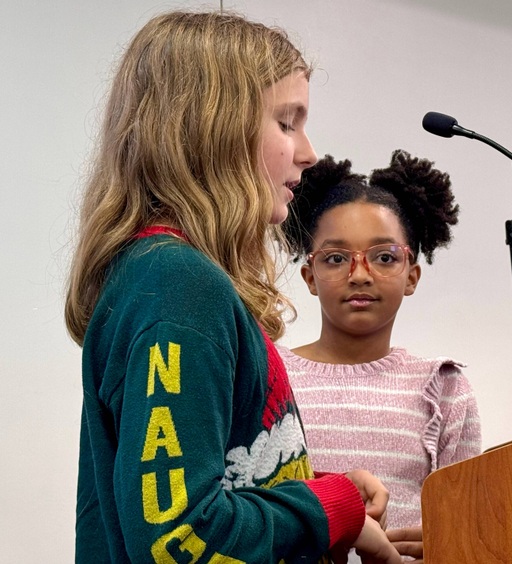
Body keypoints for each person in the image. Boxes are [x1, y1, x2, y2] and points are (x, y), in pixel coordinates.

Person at [65, 11, 402, 563]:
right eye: (287, 123)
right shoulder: (177, 287)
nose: (309, 152)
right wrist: (327, 508)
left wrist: (322, 497)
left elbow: (209, 486)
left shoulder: (173, 279)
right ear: (214, 129)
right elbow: (181, 539)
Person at [279, 151, 483, 561]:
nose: (359, 274)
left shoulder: (443, 388)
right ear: (310, 276)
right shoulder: (270, 374)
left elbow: (472, 525)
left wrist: (453, 542)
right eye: (336, 258)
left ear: (411, 275)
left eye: (384, 257)